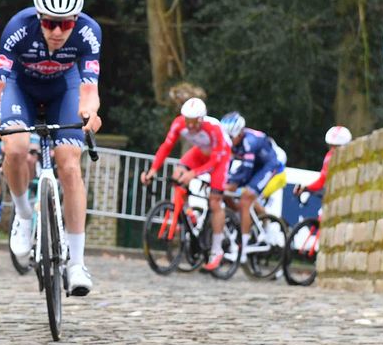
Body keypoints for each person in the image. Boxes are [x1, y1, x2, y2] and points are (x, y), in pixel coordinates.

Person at [0, 0, 103, 297]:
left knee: (70, 165)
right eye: (50, 23)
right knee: (16, 147)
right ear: (39, 17)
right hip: (22, 88)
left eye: (67, 23)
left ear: (77, 20)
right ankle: (22, 213)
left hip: (65, 89)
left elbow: (90, 88)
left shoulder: (90, 32)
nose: (59, 31)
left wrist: (90, 114)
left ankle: (76, 263)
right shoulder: (19, 27)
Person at [141, 97, 232, 264]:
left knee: (214, 201)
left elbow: (215, 160)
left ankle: (216, 249)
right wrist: (153, 170)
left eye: (193, 121)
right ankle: (189, 214)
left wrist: (194, 173)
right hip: (200, 152)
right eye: (187, 120)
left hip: (220, 158)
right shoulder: (178, 124)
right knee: (177, 176)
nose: (189, 125)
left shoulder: (213, 128)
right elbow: (166, 147)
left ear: (201, 118)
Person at [219, 111, 287, 267]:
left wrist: (231, 183)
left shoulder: (250, 142)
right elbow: (226, 165)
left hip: (272, 167)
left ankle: (248, 242)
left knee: (246, 198)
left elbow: (245, 171)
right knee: (225, 193)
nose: (228, 141)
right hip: (257, 166)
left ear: (239, 133)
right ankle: (242, 218)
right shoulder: (233, 142)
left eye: (230, 138)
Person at [301, 125, 353, 197]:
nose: (333, 149)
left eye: (337, 146)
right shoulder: (329, 156)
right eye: (331, 145)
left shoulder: (353, 157)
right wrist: (306, 188)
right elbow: (322, 180)